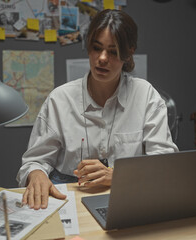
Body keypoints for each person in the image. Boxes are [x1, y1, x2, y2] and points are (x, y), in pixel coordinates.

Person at [16, 9, 178, 210]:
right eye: (96, 48)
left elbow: (165, 165)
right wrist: (37, 174)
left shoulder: (146, 97)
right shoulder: (60, 99)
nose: (102, 58)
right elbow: (34, 161)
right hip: (69, 202)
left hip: (128, 201)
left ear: (129, 53)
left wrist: (118, 176)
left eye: (113, 51)